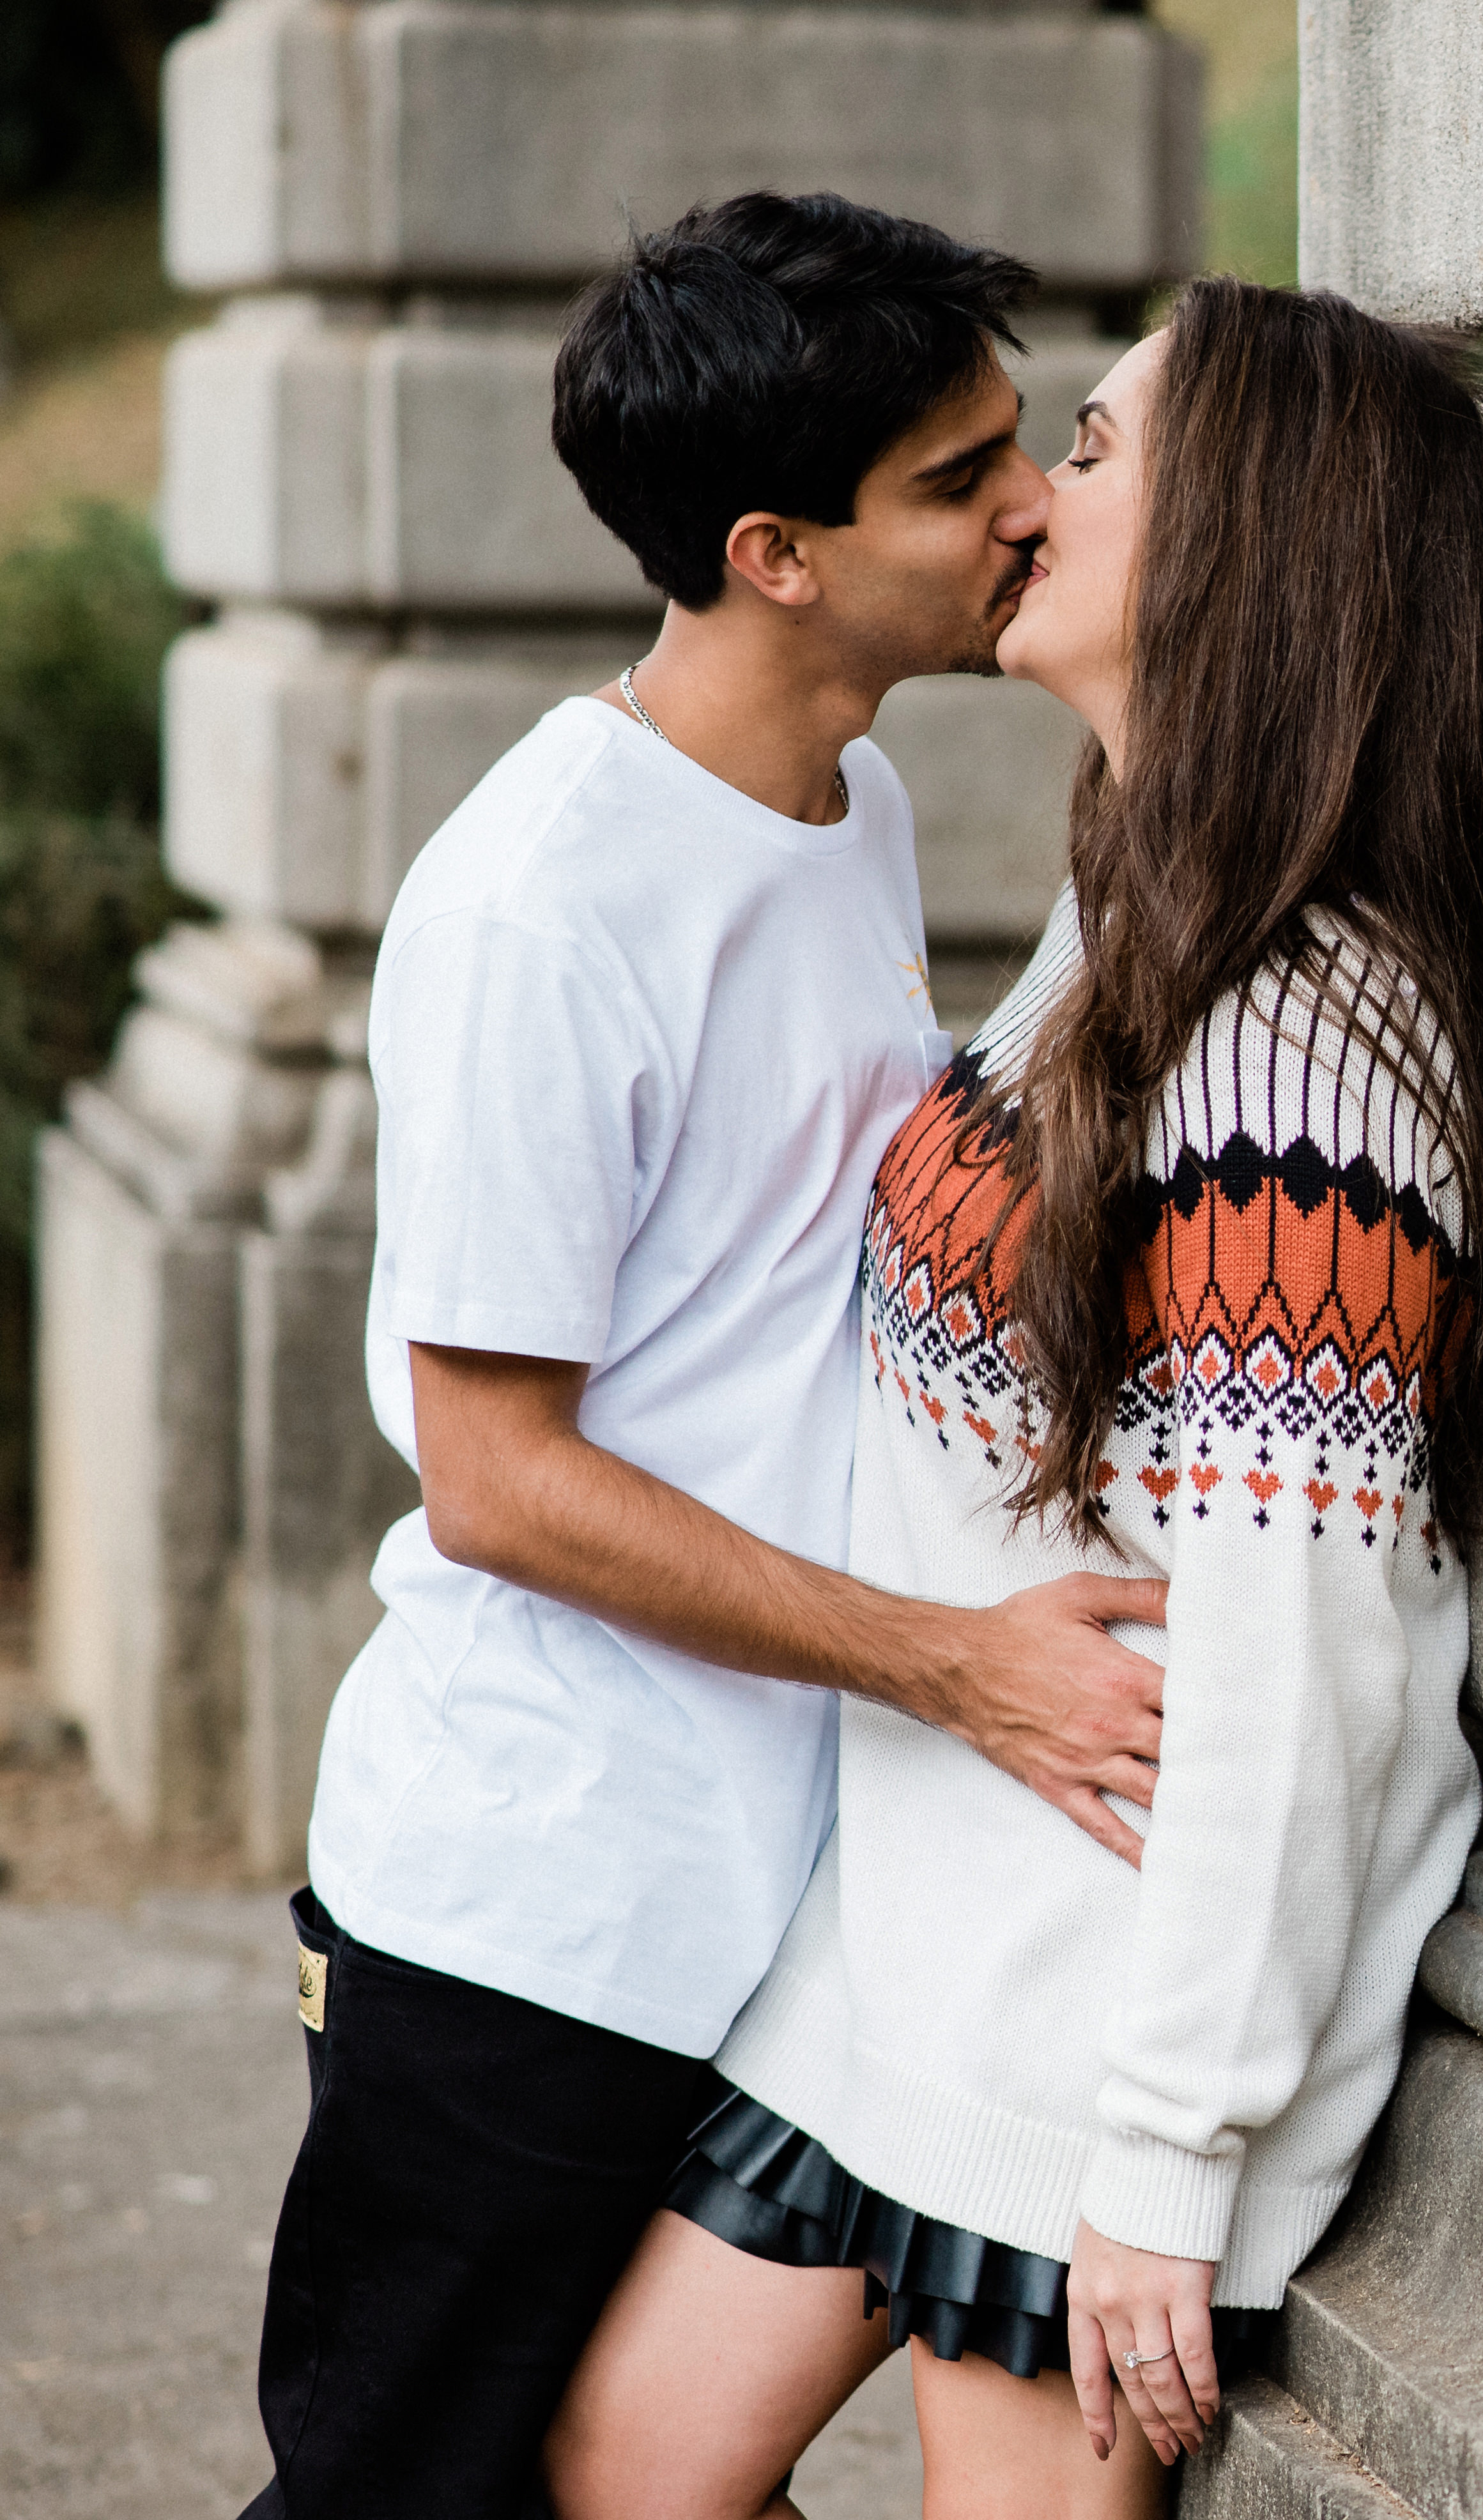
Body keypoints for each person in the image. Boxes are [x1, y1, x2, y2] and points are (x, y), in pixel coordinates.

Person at [544, 279, 1483, 2519]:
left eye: (1088, 453)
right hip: (899, 1951)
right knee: (617, 2457)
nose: (1025, 503)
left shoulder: (1307, 1069)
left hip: (1081, 2038)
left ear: (1242, 548)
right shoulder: (1137, 913)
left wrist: (1165, 2162)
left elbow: (1312, 1667)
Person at [241, 194, 1183, 2519]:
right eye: (961, 479)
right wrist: (953, 1662)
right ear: (775, 550)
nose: (1030, 504)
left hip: (768, 1888)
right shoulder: (543, 904)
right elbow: (495, 1477)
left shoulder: (844, 800)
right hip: (525, 1911)